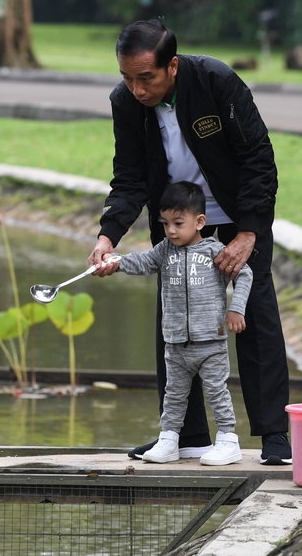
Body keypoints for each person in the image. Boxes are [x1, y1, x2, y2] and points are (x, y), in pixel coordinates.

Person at [89, 18, 292, 465]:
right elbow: (129, 177)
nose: (137, 89)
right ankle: (187, 434)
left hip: (238, 220)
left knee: (254, 315)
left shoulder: (215, 81)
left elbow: (258, 157)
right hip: (179, 226)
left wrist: (248, 231)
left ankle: (275, 435)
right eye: (127, 78)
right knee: (176, 322)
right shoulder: (126, 102)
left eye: (147, 78)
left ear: (173, 66)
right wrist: (108, 236)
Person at [100, 181, 251, 465]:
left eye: (178, 223)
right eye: (165, 223)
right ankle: (169, 439)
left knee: (217, 392)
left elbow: (244, 275)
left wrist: (236, 309)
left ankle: (228, 441)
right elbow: (142, 262)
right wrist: (116, 262)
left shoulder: (214, 252)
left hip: (211, 342)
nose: (170, 230)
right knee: (174, 395)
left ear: (199, 221)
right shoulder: (164, 251)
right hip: (176, 342)